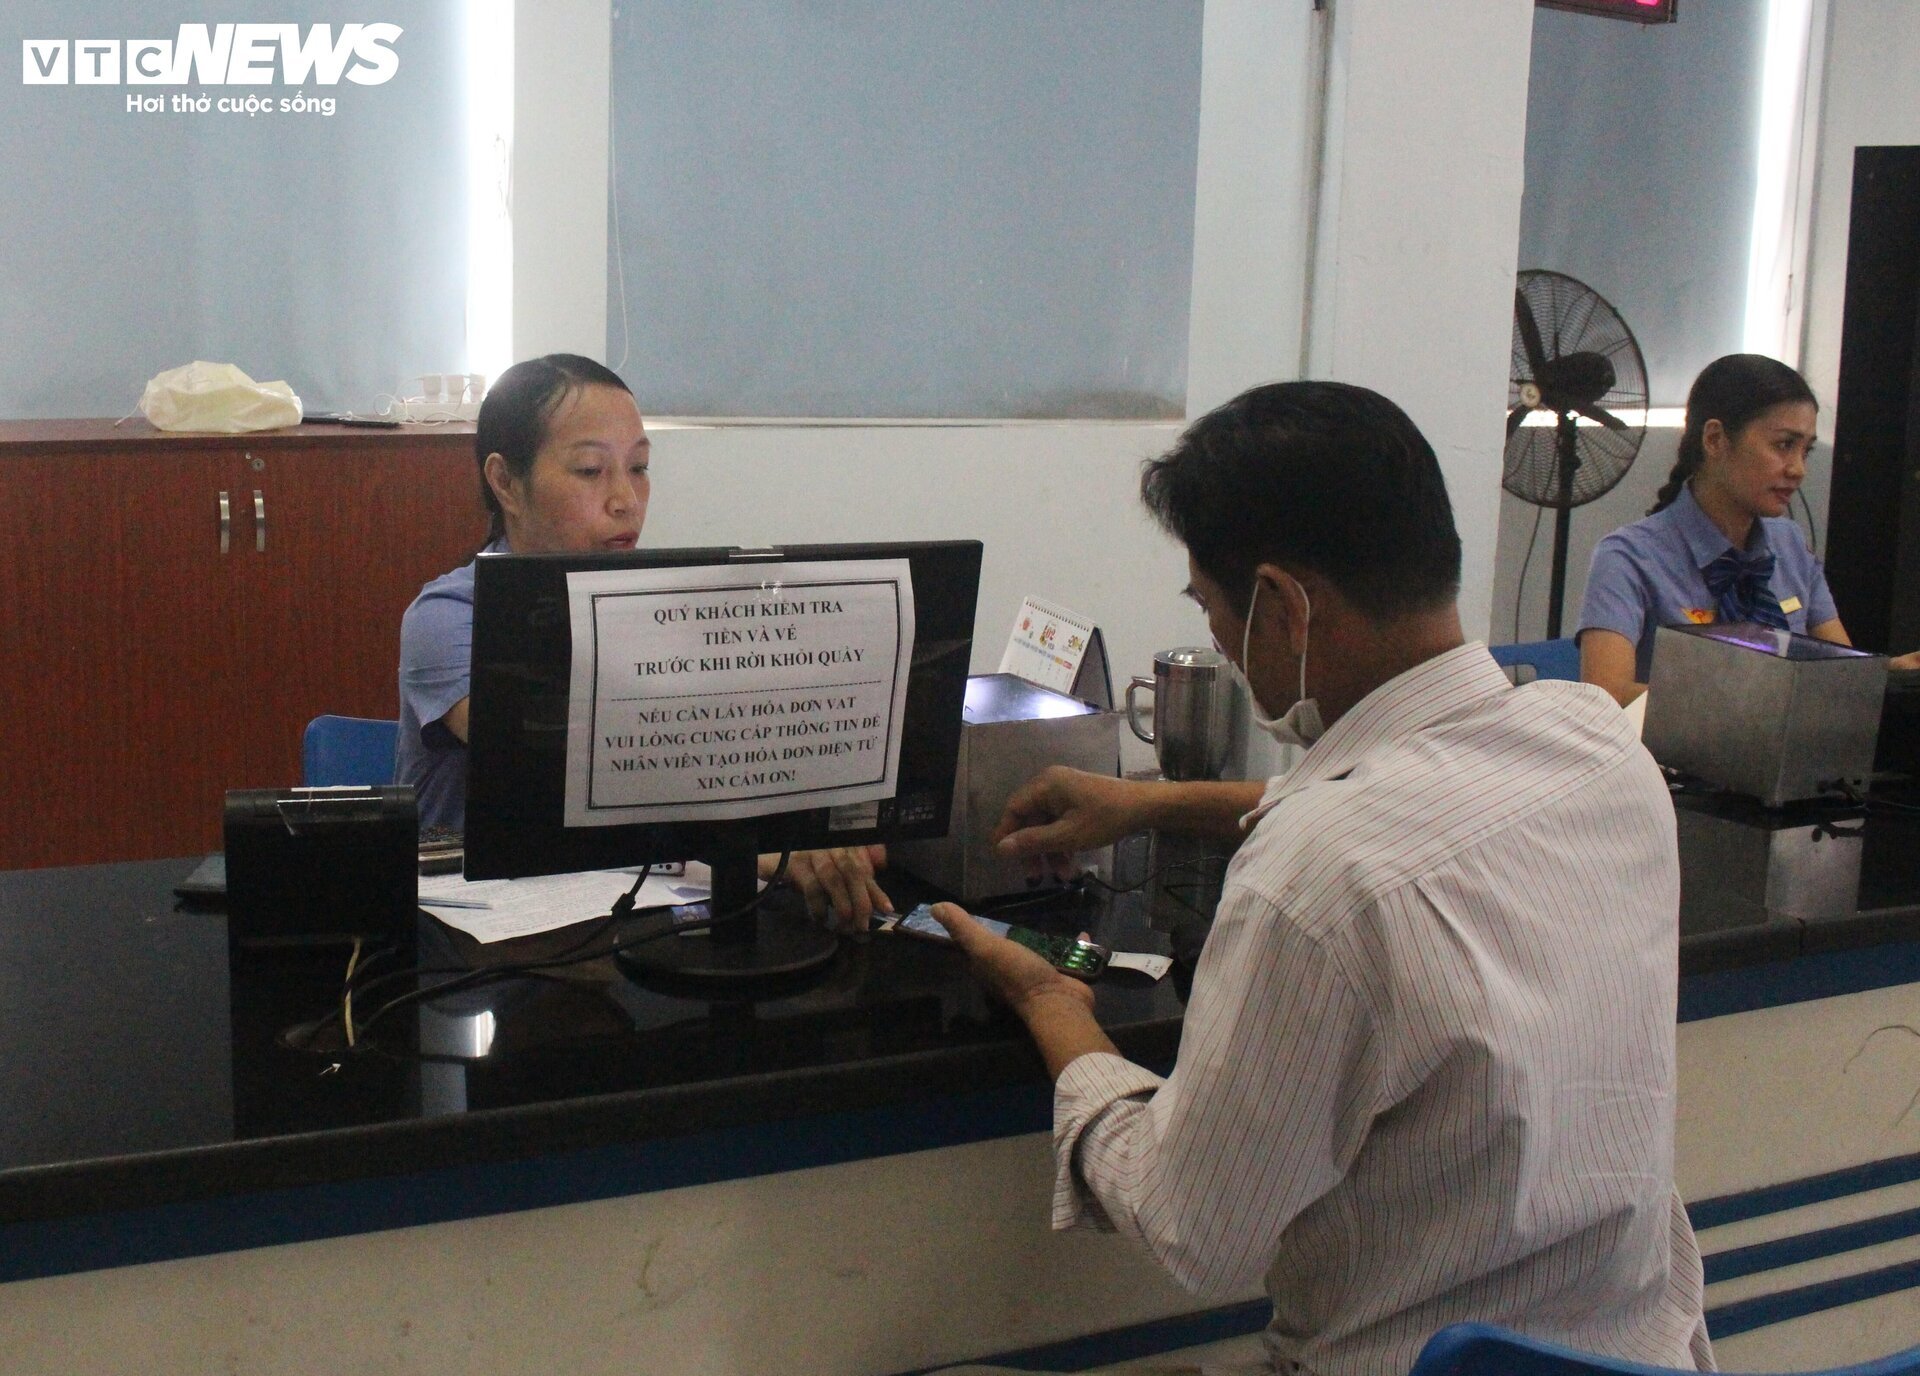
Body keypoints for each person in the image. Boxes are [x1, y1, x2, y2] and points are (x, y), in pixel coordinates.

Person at [930, 381, 1712, 1376]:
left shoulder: (1311, 879)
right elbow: (1414, 799)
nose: (1216, 635)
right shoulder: (1600, 746)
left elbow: (1192, 1227)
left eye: (1212, 606)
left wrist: (1055, 1009)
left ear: (1286, 605)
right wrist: (1157, 801)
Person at [395, 353, 893, 925]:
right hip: (481, 925)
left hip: (620, 906)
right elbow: (564, 767)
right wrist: (757, 839)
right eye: (590, 471)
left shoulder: (652, 608)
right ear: (506, 482)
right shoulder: (447, 617)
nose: (626, 500)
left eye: (639, 468)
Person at [1577, 352, 1919, 706]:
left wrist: (1892, 674)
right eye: (1784, 445)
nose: (1798, 469)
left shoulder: (1789, 546)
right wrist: (1750, 701)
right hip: (1668, 758)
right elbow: (1608, 695)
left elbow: (1840, 673)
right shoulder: (1628, 556)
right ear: (1715, 439)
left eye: (1806, 450)